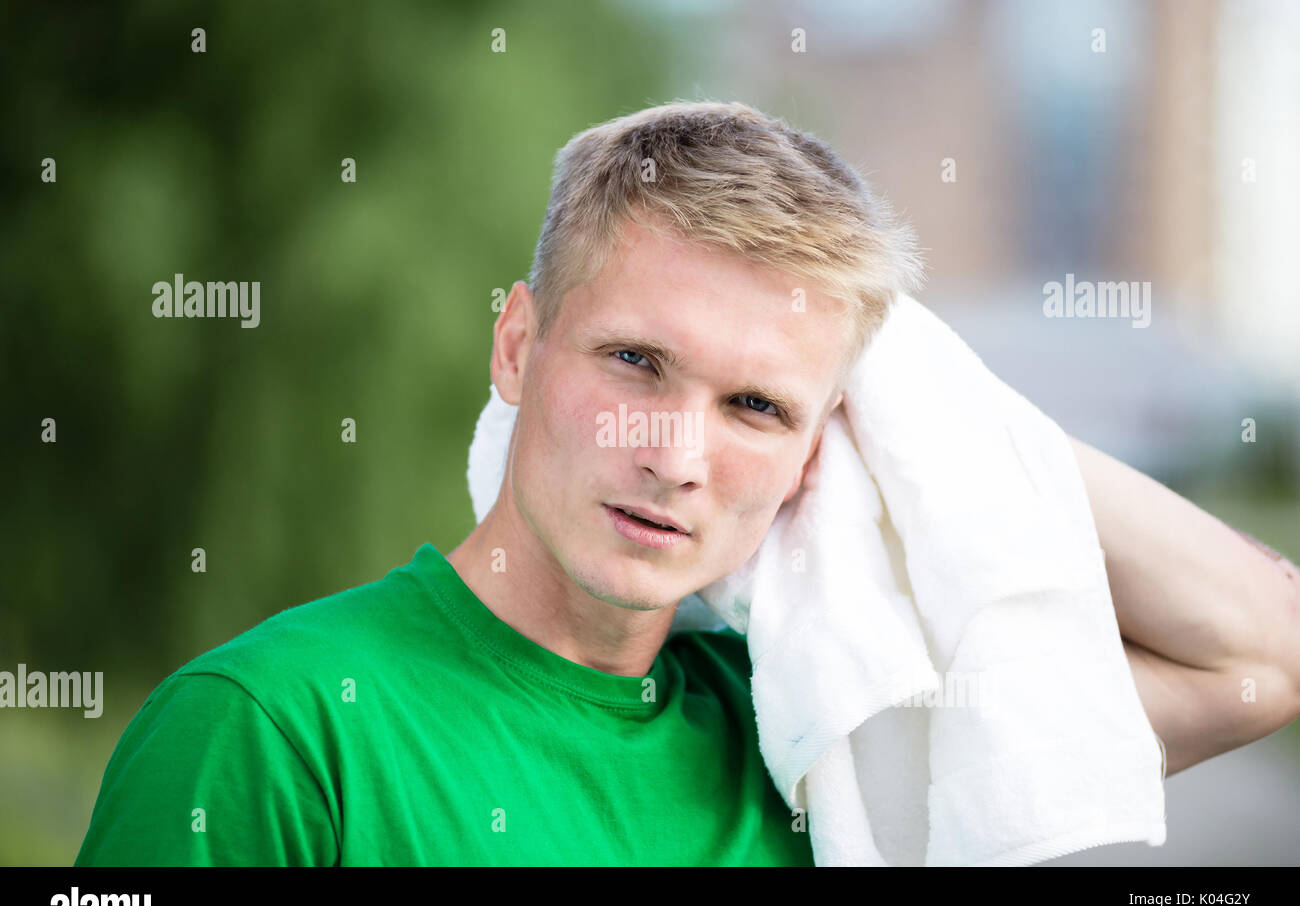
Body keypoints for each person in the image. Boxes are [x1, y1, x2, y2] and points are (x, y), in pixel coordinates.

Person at [76, 100, 1300, 866]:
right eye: (635, 361)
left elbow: (1260, 661)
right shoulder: (270, 730)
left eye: (757, 406)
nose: (676, 453)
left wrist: (951, 412)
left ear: (827, 448)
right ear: (516, 345)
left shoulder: (815, 740)